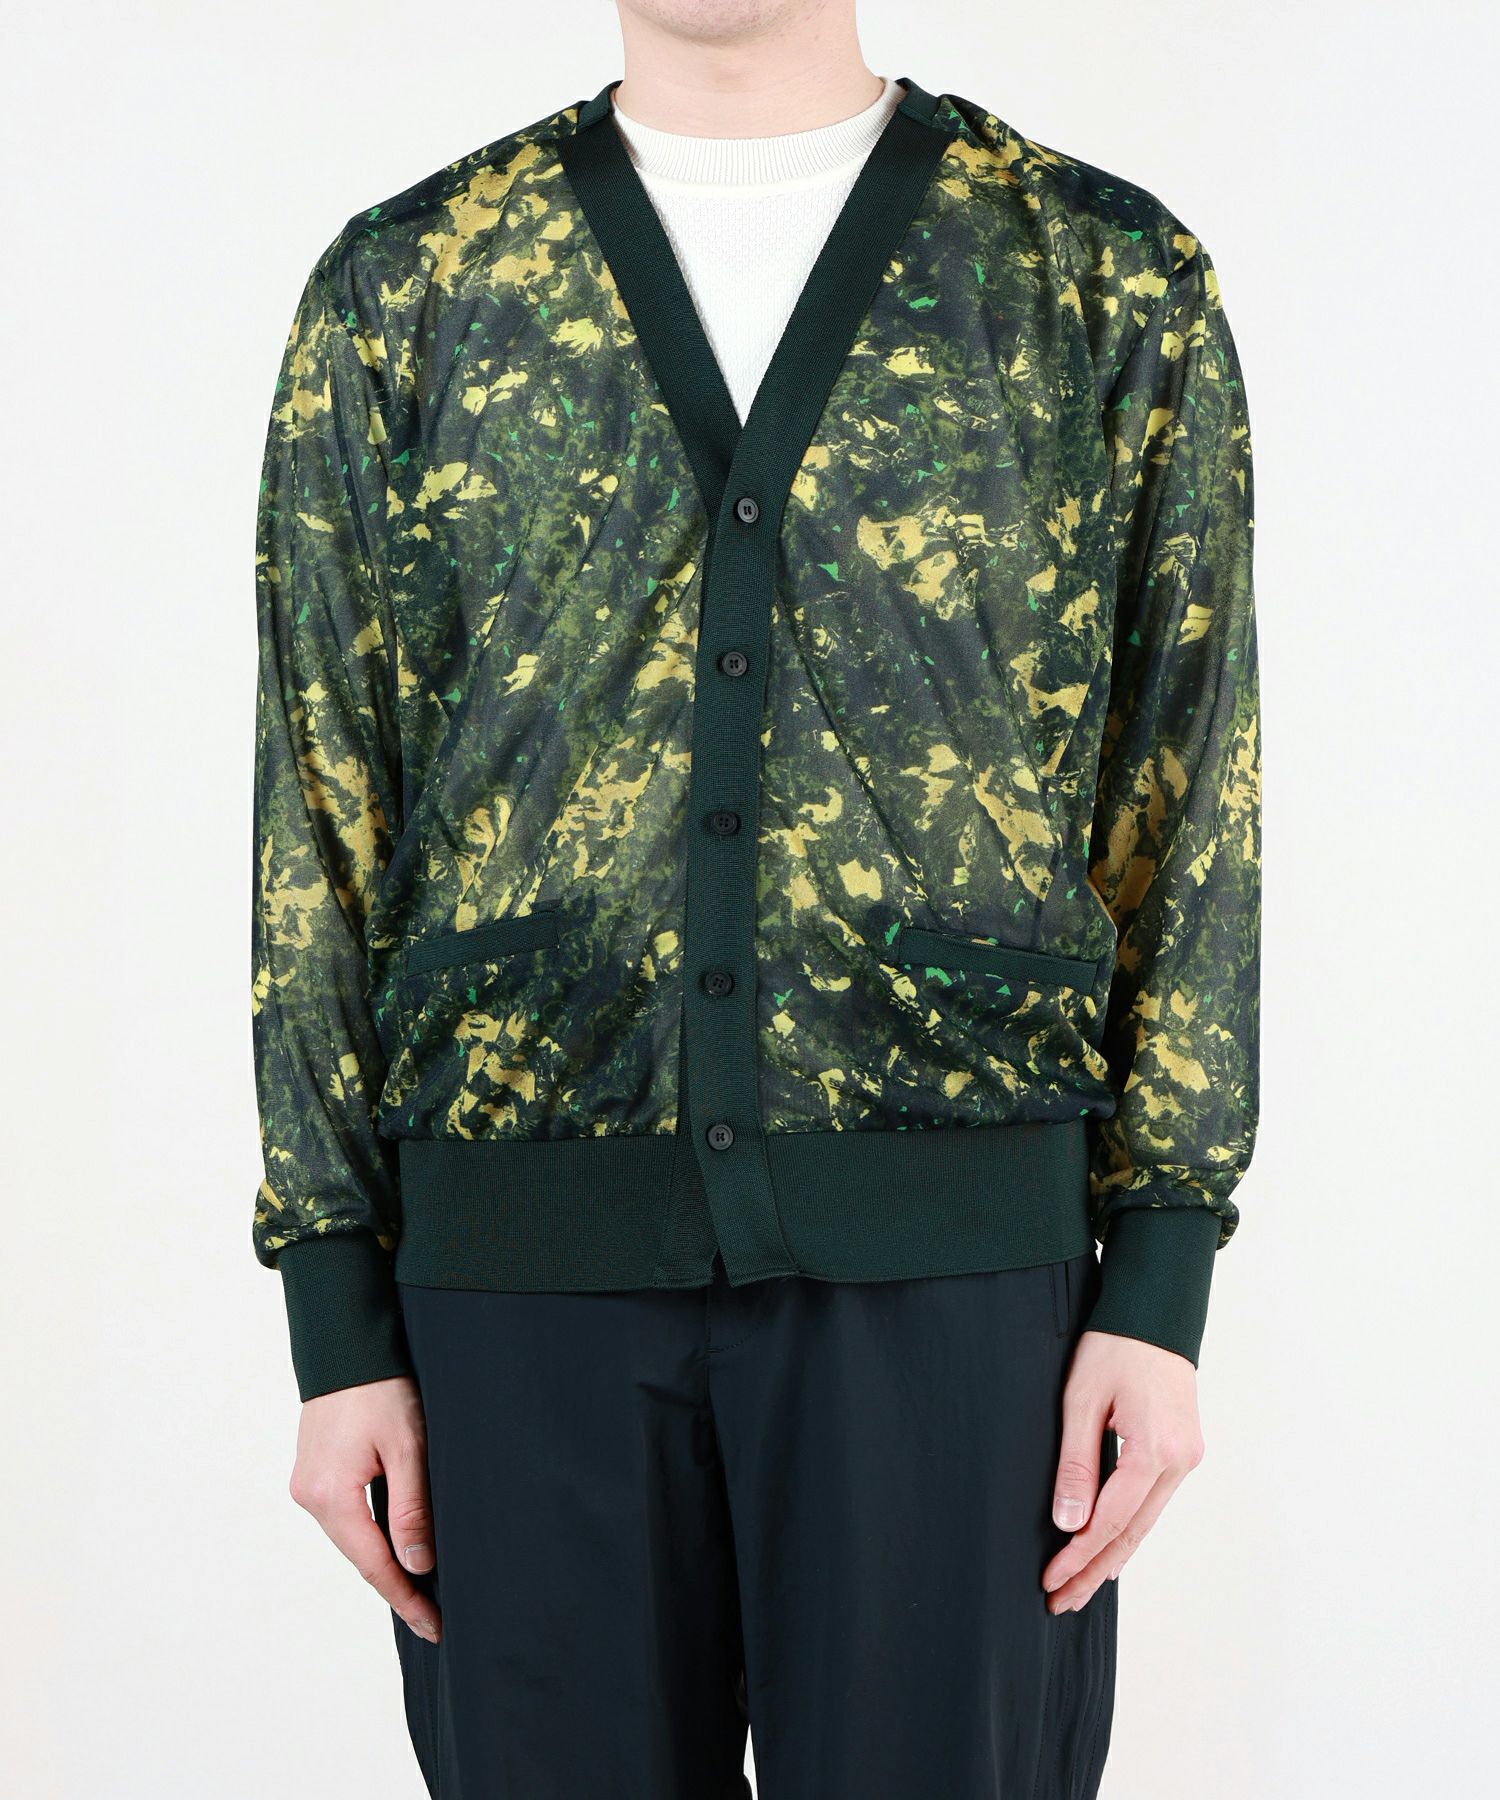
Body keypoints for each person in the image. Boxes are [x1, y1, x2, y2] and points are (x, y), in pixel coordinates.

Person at [249, 1, 1260, 1793]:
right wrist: (336, 1313)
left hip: (956, 1279)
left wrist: (1161, 1272)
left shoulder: (1097, 275)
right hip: (517, 1272)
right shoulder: (412, 285)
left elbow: (1185, 783)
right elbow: (323, 805)